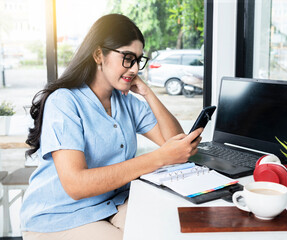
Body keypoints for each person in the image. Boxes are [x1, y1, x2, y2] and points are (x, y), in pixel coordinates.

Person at [20, 14, 202, 240]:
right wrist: (159, 158)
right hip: (59, 216)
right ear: (99, 55)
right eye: (127, 58)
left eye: (138, 60)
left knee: (170, 226)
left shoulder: (126, 101)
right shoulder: (64, 102)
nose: (135, 68)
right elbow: (76, 185)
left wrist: (148, 93)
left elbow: (177, 144)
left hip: (110, 204)